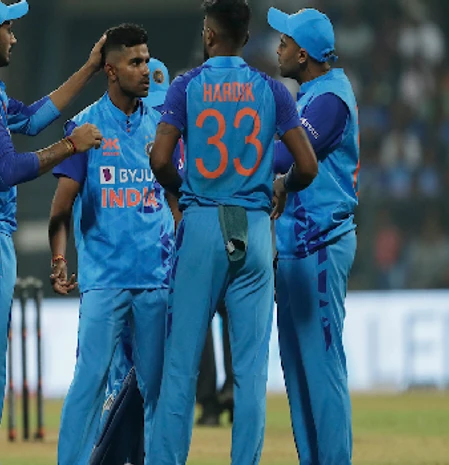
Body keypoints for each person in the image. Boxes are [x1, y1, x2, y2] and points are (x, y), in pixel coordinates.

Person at [147, 0, 319, 463]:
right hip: (257, 229)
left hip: (202, 222)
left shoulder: (186, 86)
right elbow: (307, 164)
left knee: (181, 367)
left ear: (208, 35)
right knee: (249, 371)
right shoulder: (273, 91)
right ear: (245, 39)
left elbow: (160, 158)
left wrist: (180, 195)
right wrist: (282, 187)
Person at [0, 1, 105, 463]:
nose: (15, 37)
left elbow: (31, 119)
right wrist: (71, 145)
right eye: (9, 28)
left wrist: (89, 69)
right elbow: (9, 167)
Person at [48, 24, 180, 465]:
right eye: (135, 62)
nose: (145, 70)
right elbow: (61, 206)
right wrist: (60, 257)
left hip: (156, 279)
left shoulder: (162, 128)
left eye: (147, 60)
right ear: (110, 70)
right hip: (104, 281)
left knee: (159, 387)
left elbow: (176, 199)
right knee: (88, 382)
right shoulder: (85, 127)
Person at [267, 7, 360, 464]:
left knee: (321, 365)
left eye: (283, 41)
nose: (277, 48)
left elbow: (287, 158)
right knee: (299, 368)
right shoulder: (310, 95)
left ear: (302, 54)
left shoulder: (329, 100)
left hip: (320, 243)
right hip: (295, 244)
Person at [100, 55, 173, 429]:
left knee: (147, 381)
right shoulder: (110, 134)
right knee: (121, 378)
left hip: (157, 276)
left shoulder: (171, 144)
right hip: (127, 276)